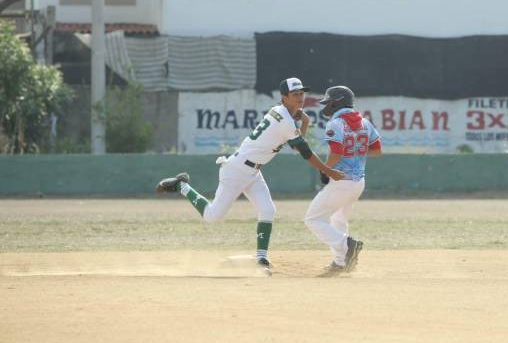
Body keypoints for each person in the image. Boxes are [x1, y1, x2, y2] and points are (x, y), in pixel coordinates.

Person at [154, 77, 344, 274]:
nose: (300, 97)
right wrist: (328, 171)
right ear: (284, 97)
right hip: (235, 171)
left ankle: (261, 258)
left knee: (268, 210)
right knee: (212, 217)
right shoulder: (285, 120)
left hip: (253, 171)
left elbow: (295, 142)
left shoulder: (282, 113)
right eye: (295, 94)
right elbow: (304, 151)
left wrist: (303, 120)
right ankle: (181, 186)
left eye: (302, 93)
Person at [304, 86, 382, 276]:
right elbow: (377, 150)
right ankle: (341, 263)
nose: (326, 106)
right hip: (358, 182)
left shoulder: (336, 123)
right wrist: (355, 152)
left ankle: (347, 245)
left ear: (337, 101)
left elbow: (337, 152)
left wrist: (325, 170)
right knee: (338, 219)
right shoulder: (365, 122)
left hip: (341, 181)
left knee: (313, 219)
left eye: (329, 101)